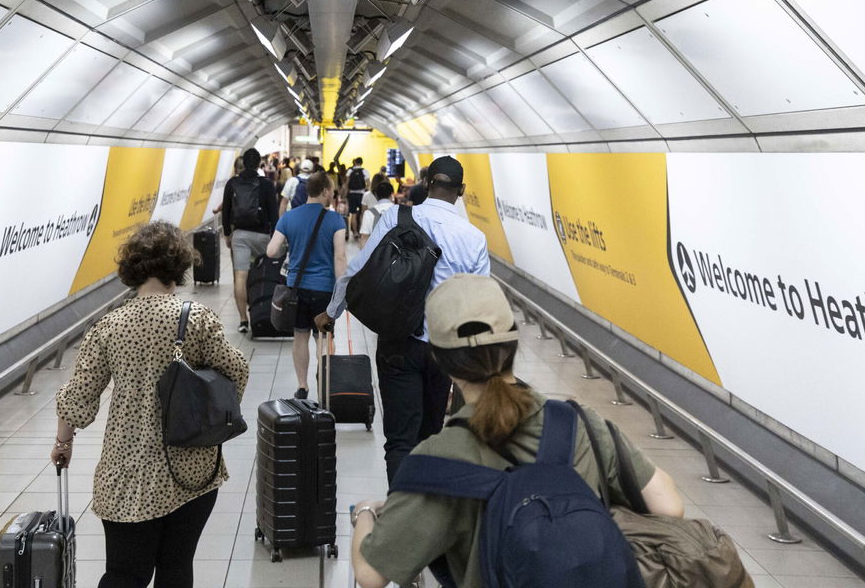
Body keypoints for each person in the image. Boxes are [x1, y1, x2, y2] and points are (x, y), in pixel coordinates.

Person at [349, 274, 684, 588]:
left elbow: (370, 573)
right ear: (513, 344)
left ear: (439, 359)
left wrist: (365, 512)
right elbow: (668, 506)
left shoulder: (436, 462)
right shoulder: (580, 423)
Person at [54, 222, 249, 588]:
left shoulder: (108, 327)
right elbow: (236, 370)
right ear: (178, 267)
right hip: (190, 468)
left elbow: (78, 398)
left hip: (127, 475)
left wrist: (63, 442)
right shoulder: (197, 320)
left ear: (133, 269)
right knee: (176, 569)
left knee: (125, 573)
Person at [328, 156, 490, 483]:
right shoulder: (474, 238)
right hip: (443, 349)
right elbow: (480, 302)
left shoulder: (397, 217)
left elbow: (358, 270)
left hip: (398, 341)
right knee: (431, 434)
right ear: (461, 190)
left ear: (427, 183)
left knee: (400, 440)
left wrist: (331, 313)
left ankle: (400, 516)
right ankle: (426, 513)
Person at [266, 170, 347, 398]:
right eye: (331, 190)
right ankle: (325, 386)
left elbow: (271, 250)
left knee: (300, 336)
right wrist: (343, 290)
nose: (333, 193)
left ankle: (302, 386)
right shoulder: (334, 220)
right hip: (324, 290)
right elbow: (339, 257)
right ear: (323, 192)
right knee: (324, 338)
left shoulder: (290, 217)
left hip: (296, 289)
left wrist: (292, 245)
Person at [221, 148, 278, 334]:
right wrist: (275, 236)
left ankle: (243, 320)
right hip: (263, 235)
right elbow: (274, 214)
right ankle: (266, 311)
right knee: (267, 272)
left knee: (240, 276)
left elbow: (226, 211)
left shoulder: (232, 183)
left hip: (240, 235)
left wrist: (228, 234)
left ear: (243, 163)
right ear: (259, 164)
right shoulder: (267, 185)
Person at [359, 181, 394, 246]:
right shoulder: (400, 211)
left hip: (376, 252)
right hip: (396, 253)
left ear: (376, 195)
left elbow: (364, 238)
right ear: (392, 194)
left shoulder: (369, 213)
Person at [346, 157, 369, 241]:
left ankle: (355, 232)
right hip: (362, 194)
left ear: (355, 162)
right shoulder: (364, 171)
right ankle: (361, 231)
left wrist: (345, 194)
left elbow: (346, 183)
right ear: (362, 163)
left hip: (352, 194)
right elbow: (368, 183)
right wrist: (365, 190)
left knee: (353, 214)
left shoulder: (350, 171)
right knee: (362, 213)